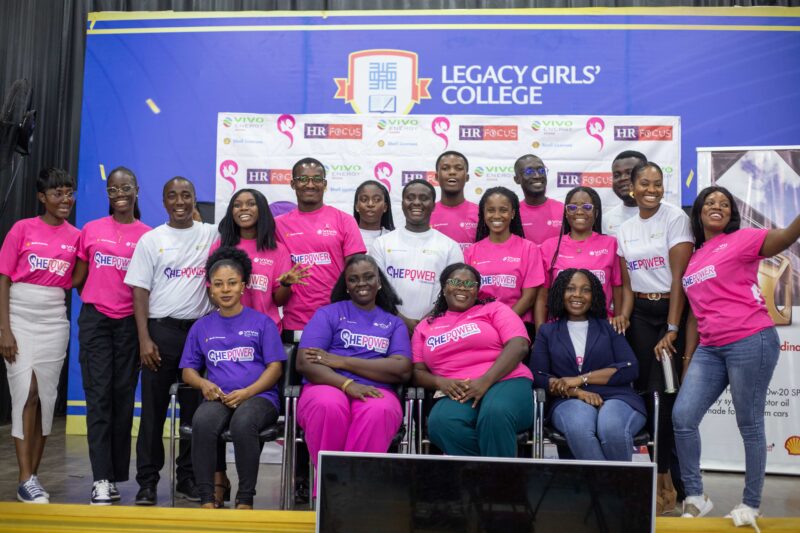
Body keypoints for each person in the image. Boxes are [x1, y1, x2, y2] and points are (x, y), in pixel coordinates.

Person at [674, 186, 800, 523]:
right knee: (683, 418)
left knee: (749, 423)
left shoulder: (743, 239)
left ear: (732, 213)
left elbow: (787, 236)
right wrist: (688, 358)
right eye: (711, 202)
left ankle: (750, 503)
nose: (718, 207)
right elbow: (696, 314)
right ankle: (696, 496)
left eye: (725, 204)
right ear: (698, 211)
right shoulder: (696, 255)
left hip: (750, 339)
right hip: (710, 347)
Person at [124, 176, 218, 505]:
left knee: (196, 416)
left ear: (195, 199)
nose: (180, 201)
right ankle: (147, 482)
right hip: (160, 334)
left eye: (186, 195)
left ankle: (187, 479)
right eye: (172, 196)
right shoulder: (151, 240)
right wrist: (144, 339)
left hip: (199, 337)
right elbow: (139, 290)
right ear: (163, 202)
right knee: (153, 415)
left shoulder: (211, 235)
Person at [296, 254, 412, 498]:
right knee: (328, 405)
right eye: (354, 279)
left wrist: (343, 361)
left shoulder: (393, 323)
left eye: (368, 277)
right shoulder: (328, 314)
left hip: (377, 390)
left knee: (378, 411)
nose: (362, 283)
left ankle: (355, 494)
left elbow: (401, 369)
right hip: (327, 384)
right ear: (346, 285)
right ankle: (330, 491)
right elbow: (306, 362)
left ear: (379, 282)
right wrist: (347, 384)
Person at [616, 161, 693, 514]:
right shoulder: (625, 228)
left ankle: (668, 483)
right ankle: (654, 478)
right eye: (644, 183)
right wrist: (624, 317)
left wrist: (673, 328)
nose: (651, 189)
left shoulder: (675, 218)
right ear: (632, 187)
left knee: (667, 398)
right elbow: (628, 285)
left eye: (657, 183)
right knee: (648, 399)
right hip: (641, 319)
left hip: (670, 312)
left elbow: (679, 280)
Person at [180, 247, 284, 510]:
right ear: (210, 289)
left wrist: (248, 392)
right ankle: (207, 498)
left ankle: (245, 498)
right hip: (219, 397)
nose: (225, 289)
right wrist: (203, 383)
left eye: (231, 283)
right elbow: (188, 371)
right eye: (218, 284)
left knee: (244, 422)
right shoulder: (201, 326)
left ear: (243, 286)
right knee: (202, 420)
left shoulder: (262, 323)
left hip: (259, 397)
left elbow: (275, 368)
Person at [72, 167, 150, 505]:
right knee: (99, 399)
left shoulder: (148, 236)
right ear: (108, 193)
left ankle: (116, 475)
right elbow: (77, 279)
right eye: (113, 188)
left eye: (126, 187)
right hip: (96, 323)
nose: (119, 192)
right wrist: (99, 299)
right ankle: (100, 478)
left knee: (122, 399)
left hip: (131, 326)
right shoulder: (91, 230)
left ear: (136, 190)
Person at [0, 168, 79, 503]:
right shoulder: (22, 229)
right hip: (19, 314)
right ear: (42, 197)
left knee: (45, 396)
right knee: (25, 391)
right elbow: (3, 278)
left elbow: (80, 275)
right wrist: (4, 328)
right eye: (57, 193)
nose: (65, 199)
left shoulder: (76, 235)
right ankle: (23, 476)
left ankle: (32, 477)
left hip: (54, 319)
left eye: (69, 192)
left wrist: (58, 286)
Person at [412, 263, 533, 457]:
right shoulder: (425, 326)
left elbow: (519, 345)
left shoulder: (494, 309)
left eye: (470, 283)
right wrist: (439, 382)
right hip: (458, 390)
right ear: (444, 288)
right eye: (455, 282)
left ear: (477, 291)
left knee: (495, 413)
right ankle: (492, 476)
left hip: (506, 380)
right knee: (441, 423)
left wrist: (484, 381)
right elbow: (417, 372)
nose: (462, 287)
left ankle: (501, 484)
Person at [531, 269, 645, 461]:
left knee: (611, 428)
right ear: (560, 293)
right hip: (568, 399)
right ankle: (611, 489)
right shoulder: (547, 332)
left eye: (585, 290)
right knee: (579, 428)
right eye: (570, 289)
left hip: (617, 397)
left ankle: (617, 488)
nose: (577, 295)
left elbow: (630, 367)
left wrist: (580, 379)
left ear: (594, 297)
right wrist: (577, 391)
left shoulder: (609, 327)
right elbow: (539, 375)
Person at [275, 158, 366, 342]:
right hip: (296, 325)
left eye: (317, 179)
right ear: (293, 184)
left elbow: (357, 273)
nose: (310, 184)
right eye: (303, 179)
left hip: (339, 323)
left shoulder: (344, 220)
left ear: (324, 185)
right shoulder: (277, 225)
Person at [371, 179, 463, 333]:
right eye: (410, 197)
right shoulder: (381, 243)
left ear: (434, 205)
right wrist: (401, 319)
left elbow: (454, 291)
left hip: (435, 329)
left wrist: (428, 320)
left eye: (424, 198)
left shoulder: (450, 247)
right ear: (402, 203)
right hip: (387, 326)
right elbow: (375, 288)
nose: (416, 202)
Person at [213, 188, 309, 331]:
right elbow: (212, 294)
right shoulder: (221, 246)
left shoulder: (278, 250)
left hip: (266, 330)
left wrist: (285, 285)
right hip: (229, 329)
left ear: (262, 210)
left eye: (251, 204)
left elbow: (279, 301)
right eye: (237, 205)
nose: (243, 208)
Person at [536, 186, 622, 329]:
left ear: (596, 212)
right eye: (572, 207)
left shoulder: (611, 244)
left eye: (587, 207)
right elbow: (542, 295)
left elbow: (618, 289)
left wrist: (619, 320)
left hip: (601, 326)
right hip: (559, 327)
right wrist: (541, 331)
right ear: (566, 213)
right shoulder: (549, 246)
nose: (579, 211)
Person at [465, 186, 544, 337]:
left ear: (513, 213)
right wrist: (485, 323)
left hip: (518, 325)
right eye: (491, 210)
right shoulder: (471, 251)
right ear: (483, 213)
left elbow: (529, 298)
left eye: (503, 210)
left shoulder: (529, 248)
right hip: (479, 326)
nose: (496, 215)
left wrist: (504, 321)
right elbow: (468, 296)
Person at [429, 151, 479, 250]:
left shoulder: (480, 213)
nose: (452, 172)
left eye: (459, 168)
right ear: (436, 177)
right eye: (445, 168)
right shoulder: (427, 212)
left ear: (467, 177)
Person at [513, 154, 563, 245]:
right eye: (529, 171)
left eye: (541, 170)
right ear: (517, 179)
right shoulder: (513, 213)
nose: (537, 176)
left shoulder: (563, 209)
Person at [603, 151, 647, 237]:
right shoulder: (606, 220)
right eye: (616, 175)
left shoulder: (670, 215)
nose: (622, 178)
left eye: (629, 173)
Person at [353, 180, 394, 250]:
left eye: (377, 200)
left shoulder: (393, 238)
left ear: (385, 207)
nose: (370, 204)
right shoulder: (347, 236)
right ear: (357, 206)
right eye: (364, 199)